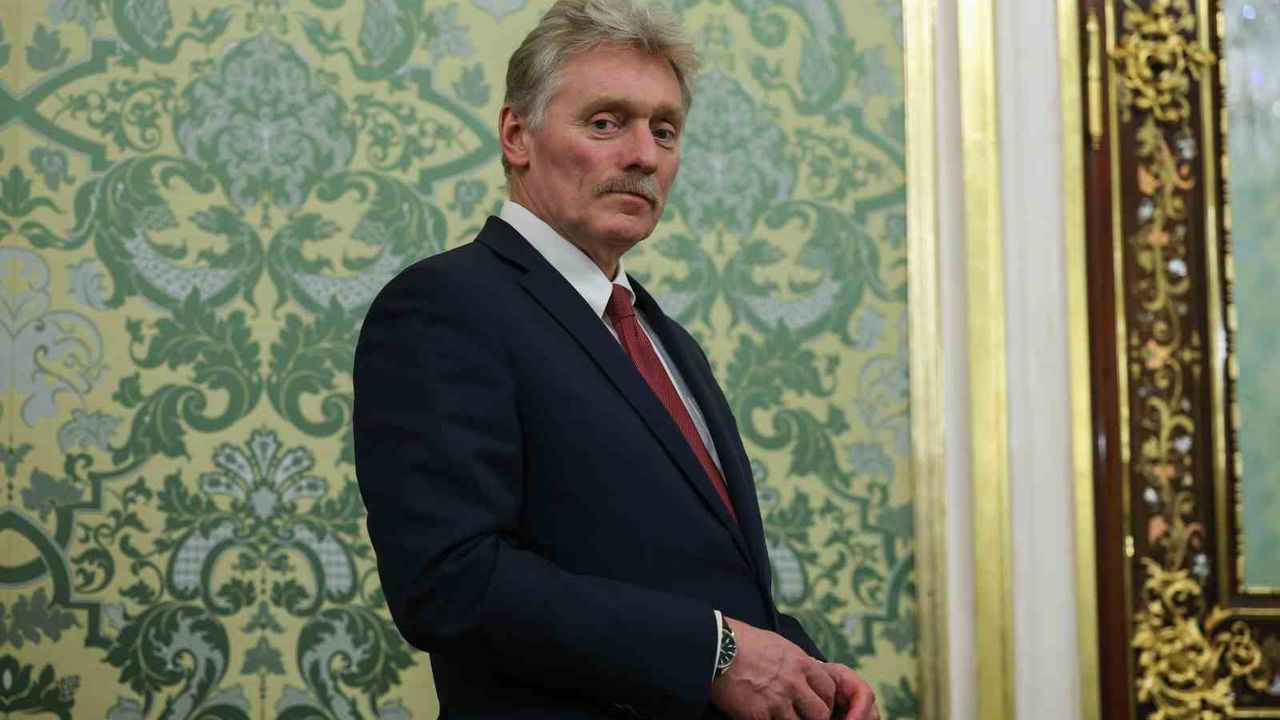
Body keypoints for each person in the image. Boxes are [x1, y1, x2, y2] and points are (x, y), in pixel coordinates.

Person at [352, 0, 881, 717]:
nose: (643, 155)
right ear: (517, 135)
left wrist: (808, 674)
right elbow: (450, 581)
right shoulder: (446, 304)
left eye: (665, 130)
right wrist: (716, 652)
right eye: (606, 122)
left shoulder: (667, 338)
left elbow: (697, 576)